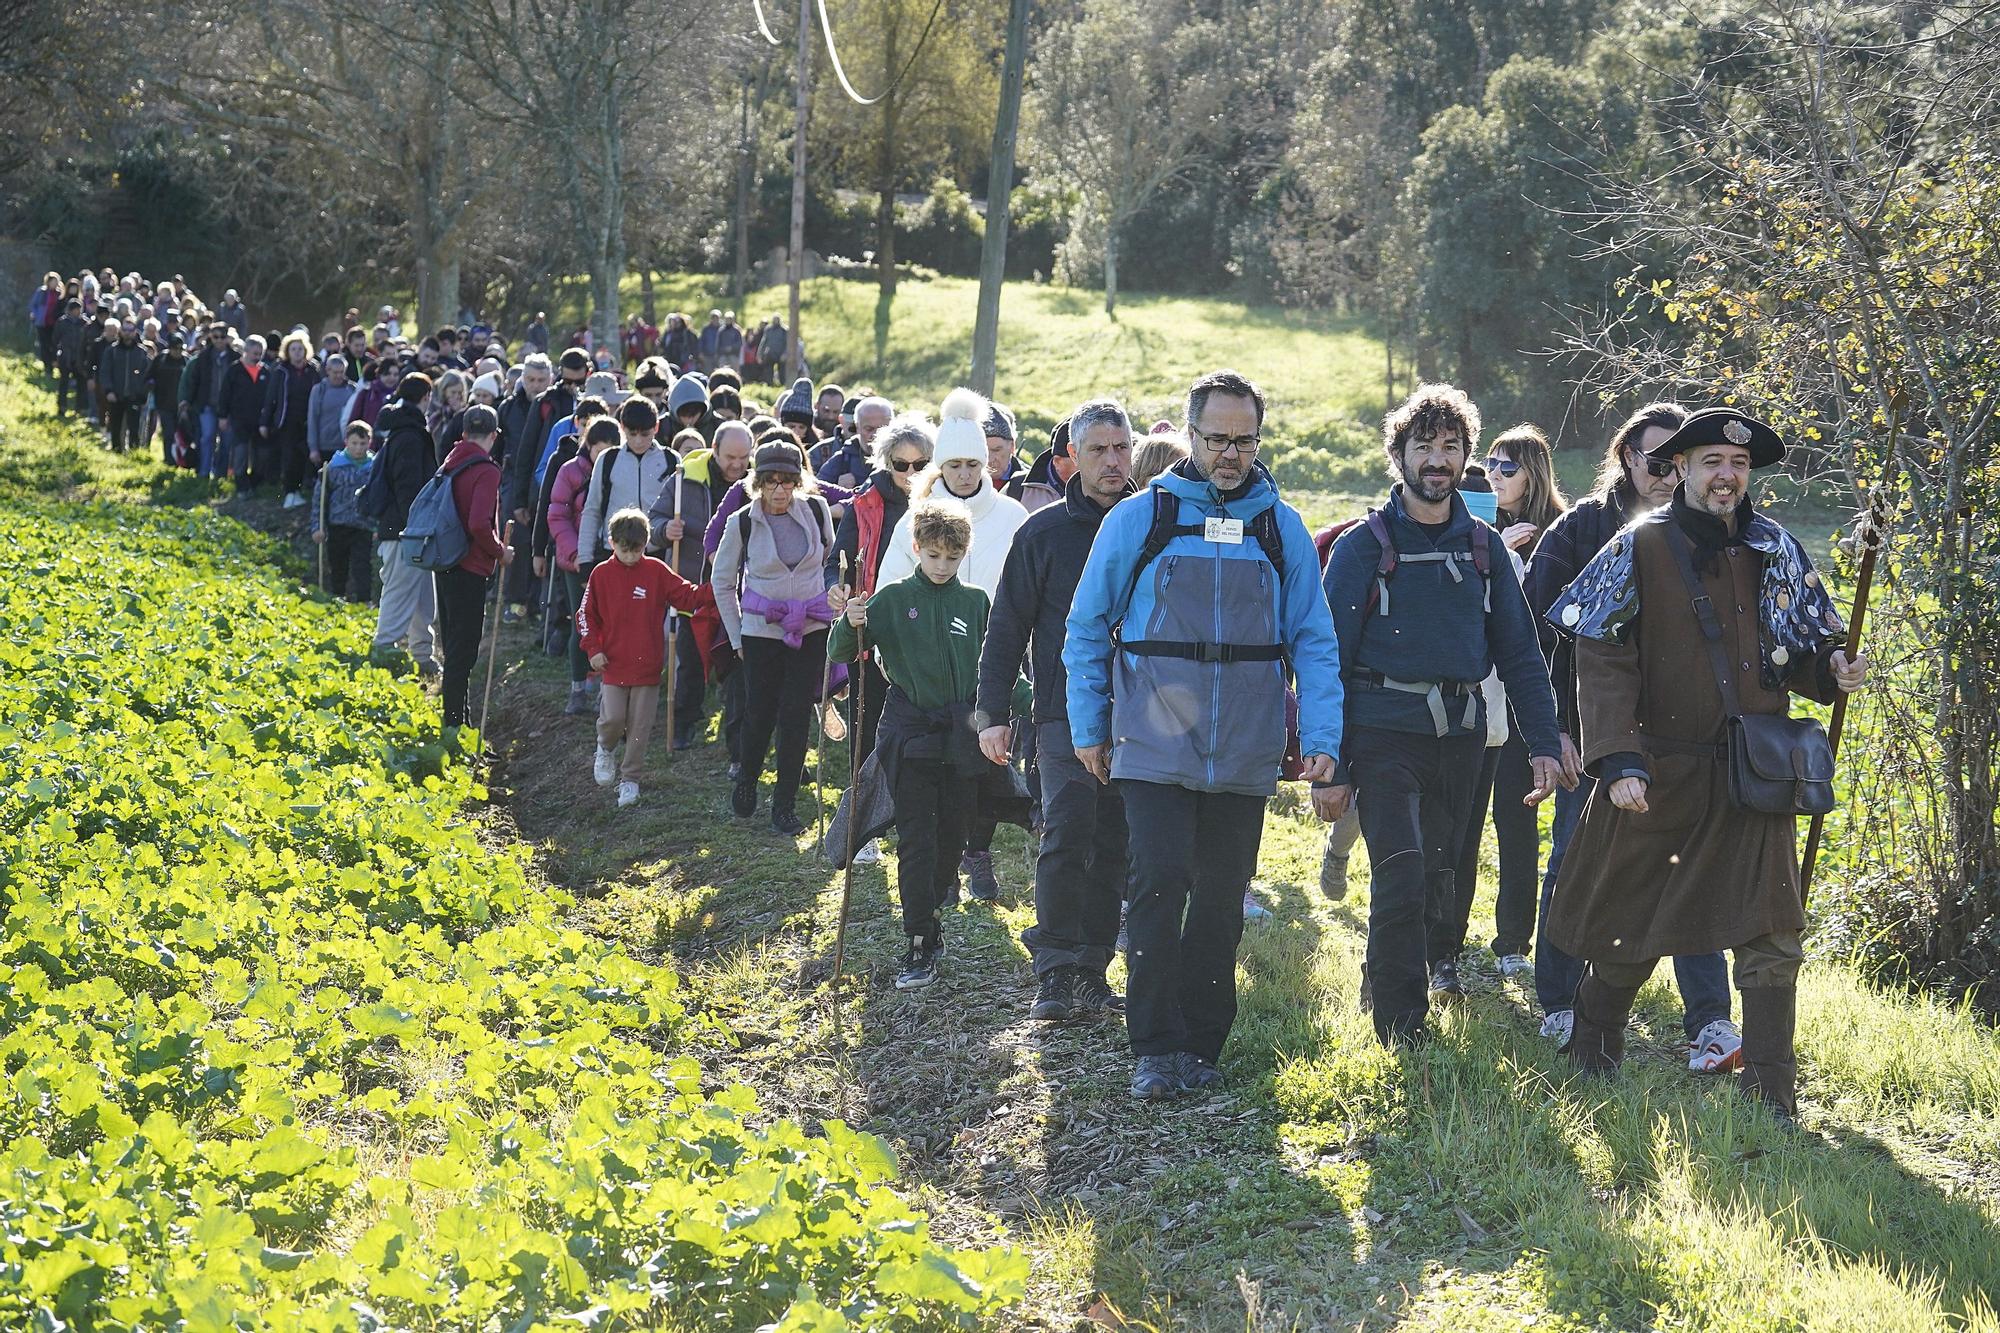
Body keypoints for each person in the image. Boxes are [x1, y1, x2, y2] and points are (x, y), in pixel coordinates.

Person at [1545, 409, 1868, 1120]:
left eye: (1739, 464)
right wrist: (1618, 756)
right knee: (1628, 931)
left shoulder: (1776, 547)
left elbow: (1802, 649)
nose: (1727, 475)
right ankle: (1593, 1048)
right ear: (1681, 468)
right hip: (1658, 775)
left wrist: (1831, 668)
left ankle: (1771, 1094)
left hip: (1755, 776)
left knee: (1772, 934)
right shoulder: (1638, 547)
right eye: (1713, 460)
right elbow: (1601, 656)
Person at [1065, 370, 1344, 1099]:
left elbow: (1314, 637)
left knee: (1222, 896)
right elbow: (1087, 625)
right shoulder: (1140, 518)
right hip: (1151, 744)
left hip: (1246, 747)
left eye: (1244, 439)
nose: (1231, 452)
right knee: (1157, 882)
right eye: (1218, 437)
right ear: (1189, 436)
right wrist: (1089, 725)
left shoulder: (1280, 525)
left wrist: (1322, 732)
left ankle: (1201, 1043)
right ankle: (1153, 1047)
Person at [1318, 385, 1566, 1047]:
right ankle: (1401, 1025)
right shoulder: (1360, 548)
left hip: (1458, 737)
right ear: (1397, 453)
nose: (1438, 458)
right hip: (1381, 733)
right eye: (1424, 445)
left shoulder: (1484, 548)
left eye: (1450, 446)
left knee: (1436, 876)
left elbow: (1519, 652)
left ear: (1464, 458)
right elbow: (1326, 660)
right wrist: (1329, 764)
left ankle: (1385, 966)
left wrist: (1543, 741)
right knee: (1400, 869)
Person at [1524, 403, 1741, 1070]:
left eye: (1678, 462)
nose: (1666, 474)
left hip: (1686, 746)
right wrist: (1554, 728)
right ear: (1626, 457)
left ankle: (1710, 1022)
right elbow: (1536, 635)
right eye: (1656, 460)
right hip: (1590, 738)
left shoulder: (1710, 534)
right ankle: (1562, 1001)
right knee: (1574, 864)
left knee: (1691, 873)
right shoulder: (1581, 529)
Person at [977, 398, 1135, 1021]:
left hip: (1140, 714)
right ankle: (1055, 970)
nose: (1112, 461)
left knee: (1115, 840)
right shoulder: (1041, 535)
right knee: (1067, 832)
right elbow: (1007, 626)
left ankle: (1093, 968)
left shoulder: (1152, 525)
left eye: (1121, 448)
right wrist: (992, 712)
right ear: (1071, 456)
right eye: (1097, 449)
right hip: (1062, 712)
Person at [876, 389, 1032, 901]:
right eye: (955, 464)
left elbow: (1028, 587)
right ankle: (940, 865)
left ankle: (977, 853)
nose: (965, 473)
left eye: (973, 463)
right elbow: (890, 593)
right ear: (940, 465)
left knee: (984, 763)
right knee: (937, 772)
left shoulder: (1011, 517)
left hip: (993, 659)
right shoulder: (913, 520)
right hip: (927, 675)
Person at [829, 499, 990, 988]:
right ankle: (918, 941)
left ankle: (935, 909)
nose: (942, 566)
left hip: (960, 735)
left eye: (953, 557)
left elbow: (998, 667)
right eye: (934, 555)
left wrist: (1023, 704)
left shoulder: (976, 602)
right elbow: (840, 651)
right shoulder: (893, 598)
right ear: (917, 548)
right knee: (917, 838)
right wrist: (851, 620)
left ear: (965, 553)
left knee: (952, 839)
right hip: (908, 732)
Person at [1437, 423, 1572, 981]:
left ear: (1533, 474)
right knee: (1461, 826)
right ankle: (1446, 939)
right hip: (1474, 701)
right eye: (1490, 463)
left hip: (1525, 698)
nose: (1493, 474)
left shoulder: (1557, 536)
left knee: (1516, 824)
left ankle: (1514, 938)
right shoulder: (1466, 529)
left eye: (1507, 466)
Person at [713, 442, 836, 837]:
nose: (780, 490)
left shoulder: (816, 511)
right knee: (759, 711)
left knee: (796, 713)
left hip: (811, 628)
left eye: (787, 482)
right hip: (761, 632)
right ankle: (747, 779)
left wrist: (832, 600)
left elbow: (829, 562)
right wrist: (736, 636)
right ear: (758, 483)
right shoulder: (741, 522)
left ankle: (784, 804)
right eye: (771, 482)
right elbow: (722, 581)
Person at [829, 413, 934, 811]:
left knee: (920, 728)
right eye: (901, 464)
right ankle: (865, 815)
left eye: (920, 464)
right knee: (866, 726)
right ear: (886, 463)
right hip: (872, 632)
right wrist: (835, 587)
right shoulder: (864, 505)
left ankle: (913, 808)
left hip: (926, 633)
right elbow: (834, 560)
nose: (910, 473)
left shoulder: (941, 503)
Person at [578, 507, 711, 807]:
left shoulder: (656, 571)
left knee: (639, 726)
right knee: (612, 718)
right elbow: (586, 615)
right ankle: (605, 748)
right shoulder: (600, 574)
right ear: (612, 543)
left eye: (636, 550)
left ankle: (630, 780)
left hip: (648, 665)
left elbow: (686, 595)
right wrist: (593, 649)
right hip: (611, 663)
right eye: (624, 550)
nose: (630, 556)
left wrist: (717, 590)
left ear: (646, 543)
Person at [651, 421, 752, 749]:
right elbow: (653, 520)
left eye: (743, 457)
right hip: (694, 588)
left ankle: (738, 733)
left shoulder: (756, 483)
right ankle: (683, 721)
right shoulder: (684, 479)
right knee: (690, 660)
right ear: (714, 450)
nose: (737, 465)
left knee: (738, 661)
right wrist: (665, 529)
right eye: (730, 457)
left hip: (742, 592)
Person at [435, 404, 511, 730]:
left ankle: (458, 722)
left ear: (464, 434)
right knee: (463, 651)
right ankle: (454, 726)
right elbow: (479, 523)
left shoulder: (450, 462)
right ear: (494, 436)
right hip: (470, 567)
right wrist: (500, 552)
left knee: (453, 644)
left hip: (445, 561)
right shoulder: (487, 470)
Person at [369, 373, 441, 673]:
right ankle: (383, 653)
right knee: (399, 595)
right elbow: (408, 487)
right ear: (425, 397)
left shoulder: (400, 432)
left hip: (405, 531)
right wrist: (416, 526)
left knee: (424, 598)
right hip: (405, 532)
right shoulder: (410, 436)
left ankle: (422, 655)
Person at [577, 397, 678, 568]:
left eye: (645, 434)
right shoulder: (608, 459)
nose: (638, 440)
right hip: (614, 551)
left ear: (656, 427)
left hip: (656, 553)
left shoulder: (671, 460)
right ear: (622, 427)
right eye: (632, 434)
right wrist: (585, 558)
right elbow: (592, 510)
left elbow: (677, 511)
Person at [312, 421, 378, 602]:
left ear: (369, 443)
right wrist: (318, 527)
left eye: (363, 444)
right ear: (346, 442)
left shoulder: (374, 468)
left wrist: (377, 525)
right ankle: (337, 598)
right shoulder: (332, 468)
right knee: (338, 564)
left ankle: (364, 602)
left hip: (363, 525)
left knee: (362, 565)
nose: (358, 448)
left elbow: (379, 498)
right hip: (338, 524)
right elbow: (320, 500)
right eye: (354, 443)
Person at [261, 333, 321, 508]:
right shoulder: (280, 370)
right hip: (286, 420)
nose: (297, 352)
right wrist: (265, 422)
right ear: (287, 351)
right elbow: (271, 397)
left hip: (308, 420)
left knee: (304, 456)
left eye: (300, 349)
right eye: (293, 349)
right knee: (289, 456)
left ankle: (300, 490)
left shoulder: (313, 370)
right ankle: (289, 492)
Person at [218, 334, 270, 492]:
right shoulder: (234, 370)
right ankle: (241, 485)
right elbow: (224, 394)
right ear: (245, 351)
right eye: (255, 353)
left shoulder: (266, 372)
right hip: (239, 419)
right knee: (240, 454)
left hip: (259, 421)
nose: (257, 357)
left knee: (261, 454)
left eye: (260, 354)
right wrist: (222, 416)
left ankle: (254, 483)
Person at [97, 318, 152, 454]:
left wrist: (143, 394)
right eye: (125, 330)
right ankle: (116, 451)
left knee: (134, 427)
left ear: (135, 332)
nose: (128, 333)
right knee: (115, 425)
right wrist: (108, 390)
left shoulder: (141, 352)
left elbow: (147, 375)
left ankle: (134, 453)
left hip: (135, 396)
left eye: (131, 330)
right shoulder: (112, 351)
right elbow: (105, 372)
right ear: (120, 331)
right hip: (116, 395)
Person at [817, 394, 890, 489]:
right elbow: (814, 494)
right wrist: (836, 489)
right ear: (857, 427)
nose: (875, 435)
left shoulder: (905, 458)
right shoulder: (841, 461)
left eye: (881, 429)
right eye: (869, 429)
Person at [307, 354, 360, 485]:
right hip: (324, 445)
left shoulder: (352, 389)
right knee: (325, 484)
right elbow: (312, 419)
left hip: (346, 445)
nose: (338, 376)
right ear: (327, 370)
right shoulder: (319, 390)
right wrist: (313, 448)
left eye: (341, 372)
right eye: (335, 372)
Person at [53, 299, 93, 418]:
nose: (77, 312)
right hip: (65, 356)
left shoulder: (85, 323)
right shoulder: (62, 322)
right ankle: (62, 407)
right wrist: (54, 358)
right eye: (75, 309)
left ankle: (80, 408)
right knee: (63, 383)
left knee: (82, 384)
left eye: (79, 309)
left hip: (80, 358)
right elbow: (55, 340)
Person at [983, 401, 1023, 492]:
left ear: (1012, 446)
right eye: (983, 451)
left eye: (996, 450)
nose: (989, 460)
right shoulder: (961, 482)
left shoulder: (1031, 484)